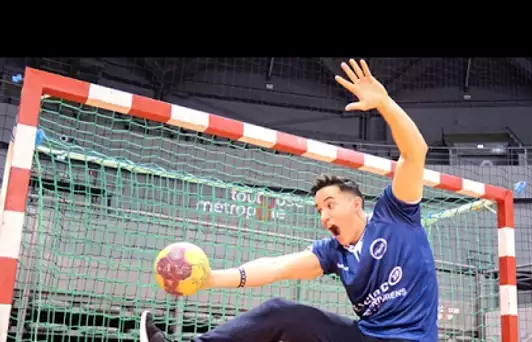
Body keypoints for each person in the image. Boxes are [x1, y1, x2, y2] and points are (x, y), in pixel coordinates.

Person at [140, 59, 438, 342]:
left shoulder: (396, 215)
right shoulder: (334, 252)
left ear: (356, 203)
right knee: (281, 313)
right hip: (365, 337)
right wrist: (211, 279)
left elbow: (415, 153)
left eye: (330, 204)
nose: (324, 215)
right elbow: (275, 267)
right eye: (320, 209)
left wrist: (384, 104)